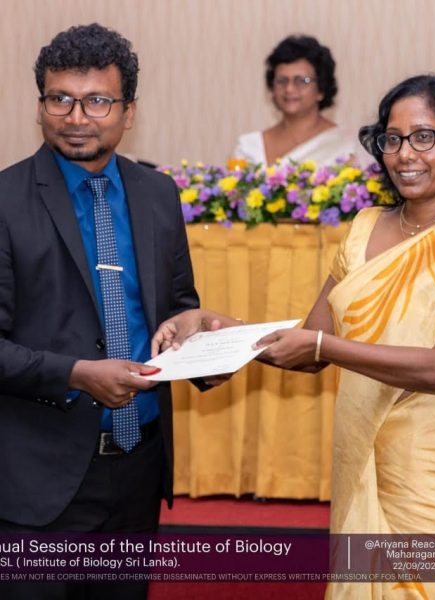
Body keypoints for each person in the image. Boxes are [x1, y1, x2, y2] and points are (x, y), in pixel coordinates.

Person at [154, 75, 435, 599]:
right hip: (359, 460)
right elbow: (309, 344)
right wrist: (214, 327)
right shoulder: (364, 228)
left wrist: (321, 347)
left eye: (425, 136)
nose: (406, 154)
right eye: (393, 138)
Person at [0, 23, 210, 600]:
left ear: (128, 111)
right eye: (59, 99)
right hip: (37, 479)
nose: (76, 117)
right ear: (39, 106)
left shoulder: (157, 194)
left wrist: (202, 338)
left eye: (97, 101)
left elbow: (179, 307)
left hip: (138, 470)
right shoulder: (6, 201)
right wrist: (76, 374)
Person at [232, 34, 363, 167]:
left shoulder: (346, 146)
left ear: (321, 90)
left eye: (301, 81)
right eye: (282, 81)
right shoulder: (250, 147)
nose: (289, 89)